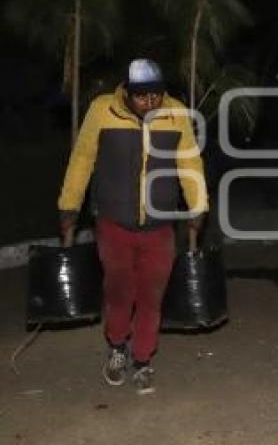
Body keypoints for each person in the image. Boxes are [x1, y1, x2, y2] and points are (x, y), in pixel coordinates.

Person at [58, 59, 208, 395]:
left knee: (151, 295)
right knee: (119, 290)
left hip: (159, 224)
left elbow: (189, 161)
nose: (150, 102)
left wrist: (198, 206)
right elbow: (82, 158)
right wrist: (69, 203)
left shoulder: (176, 113)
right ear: (128, 92)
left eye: (156, 95)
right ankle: (116, 347)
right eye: (143, 97)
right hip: (114, 222)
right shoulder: (102, 111)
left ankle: (142, 359)